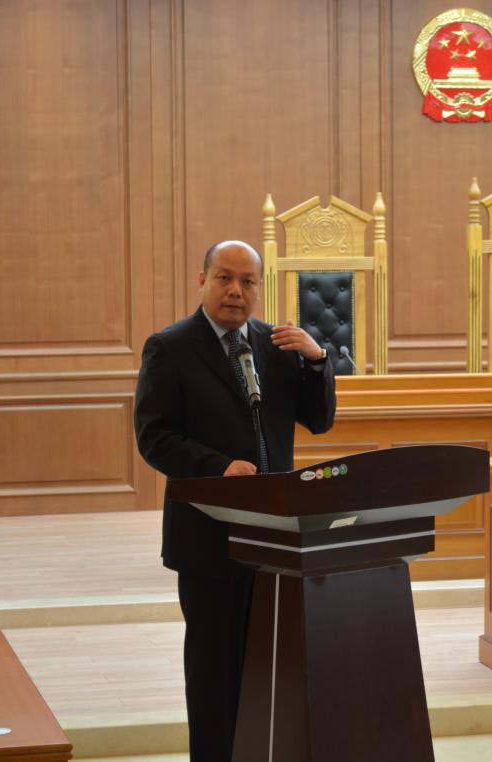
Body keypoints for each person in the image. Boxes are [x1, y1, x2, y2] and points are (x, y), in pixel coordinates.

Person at [134, 239, 335, 761]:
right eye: (224, 278)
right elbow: (154, 437)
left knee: (269, 665)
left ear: (259, 288)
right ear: (202, 280)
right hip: (209, 537)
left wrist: (317, 360)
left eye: (247, 281)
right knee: (214, 672)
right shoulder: (170, 348)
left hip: (276, 537)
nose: (235, 291)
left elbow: (319, 420)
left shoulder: (277, 345)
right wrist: (217, 467)